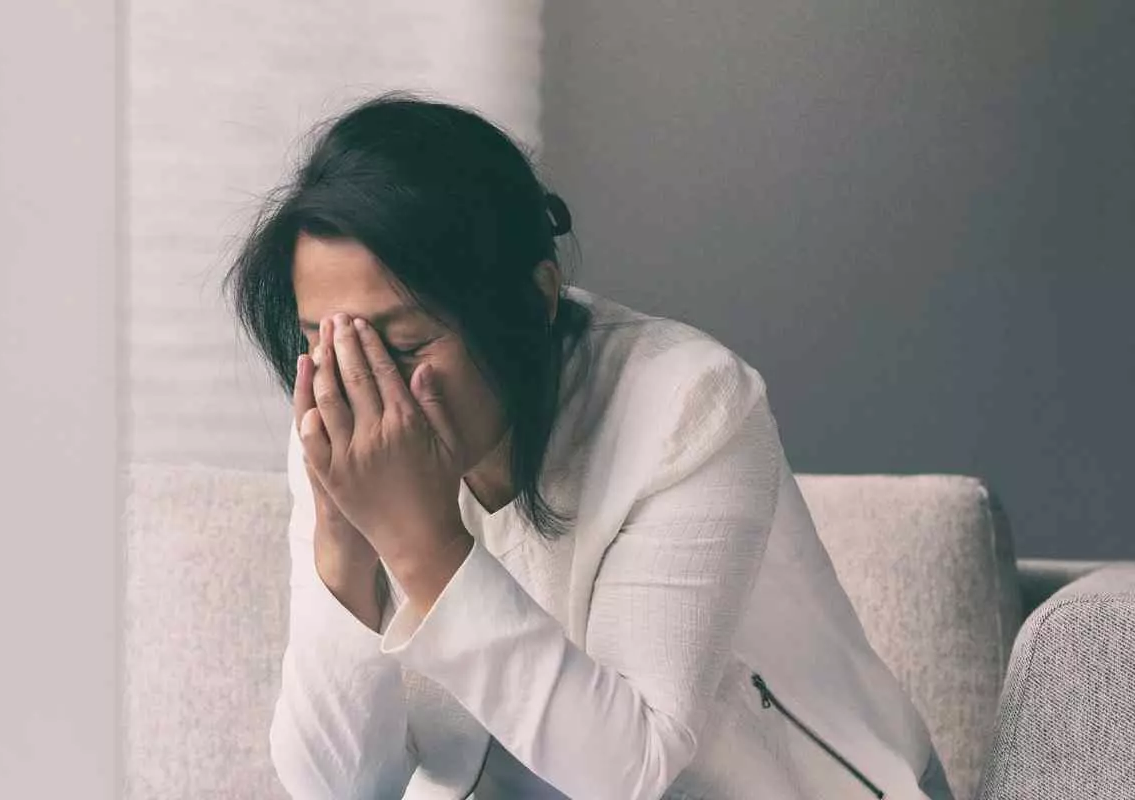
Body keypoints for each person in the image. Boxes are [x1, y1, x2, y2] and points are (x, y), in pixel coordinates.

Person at [223, 91, 956, 800]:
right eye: (324, 341)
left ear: (535, 300)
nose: (360, 384)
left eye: (404, 345)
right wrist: (343, 548)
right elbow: (339, 787)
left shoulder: (688, 404)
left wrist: (421, 543)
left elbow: (628, 775)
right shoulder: (340, 415)